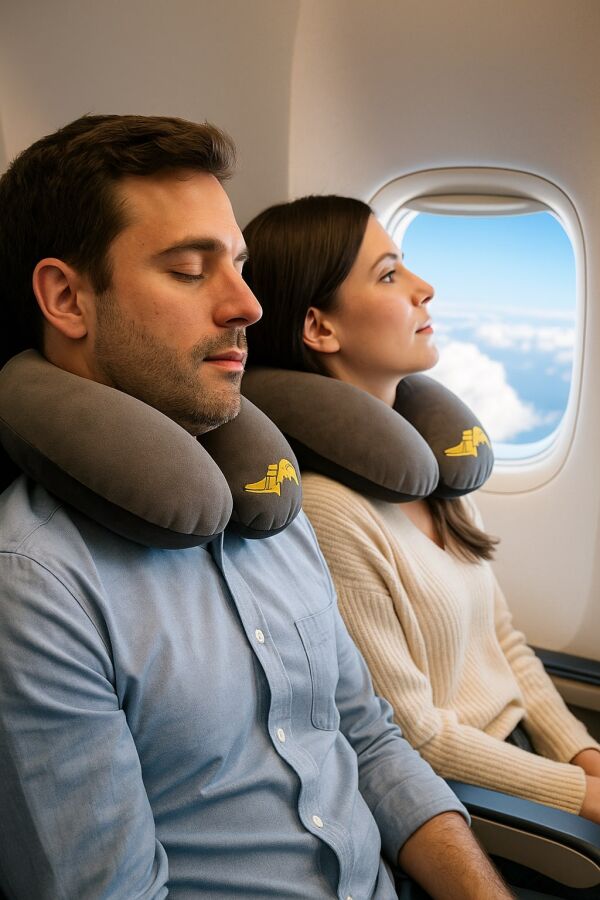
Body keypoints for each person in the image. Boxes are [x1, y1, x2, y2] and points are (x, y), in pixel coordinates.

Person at [0, 116, 514, 900]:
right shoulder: (38, 585)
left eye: (238, 265)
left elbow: (369, 738)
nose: (246, 304)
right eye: (189, 270)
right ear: (68, 298)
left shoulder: (273, 509)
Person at [242, 195, 600, 893]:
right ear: (319, 327)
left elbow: (506, 646)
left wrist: (583, 756)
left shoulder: (433, 471)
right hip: (479, 805)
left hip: (534, 768)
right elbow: (414, 735)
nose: (424, 287)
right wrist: (576, 796)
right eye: (388, 274)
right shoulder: (330, 512)